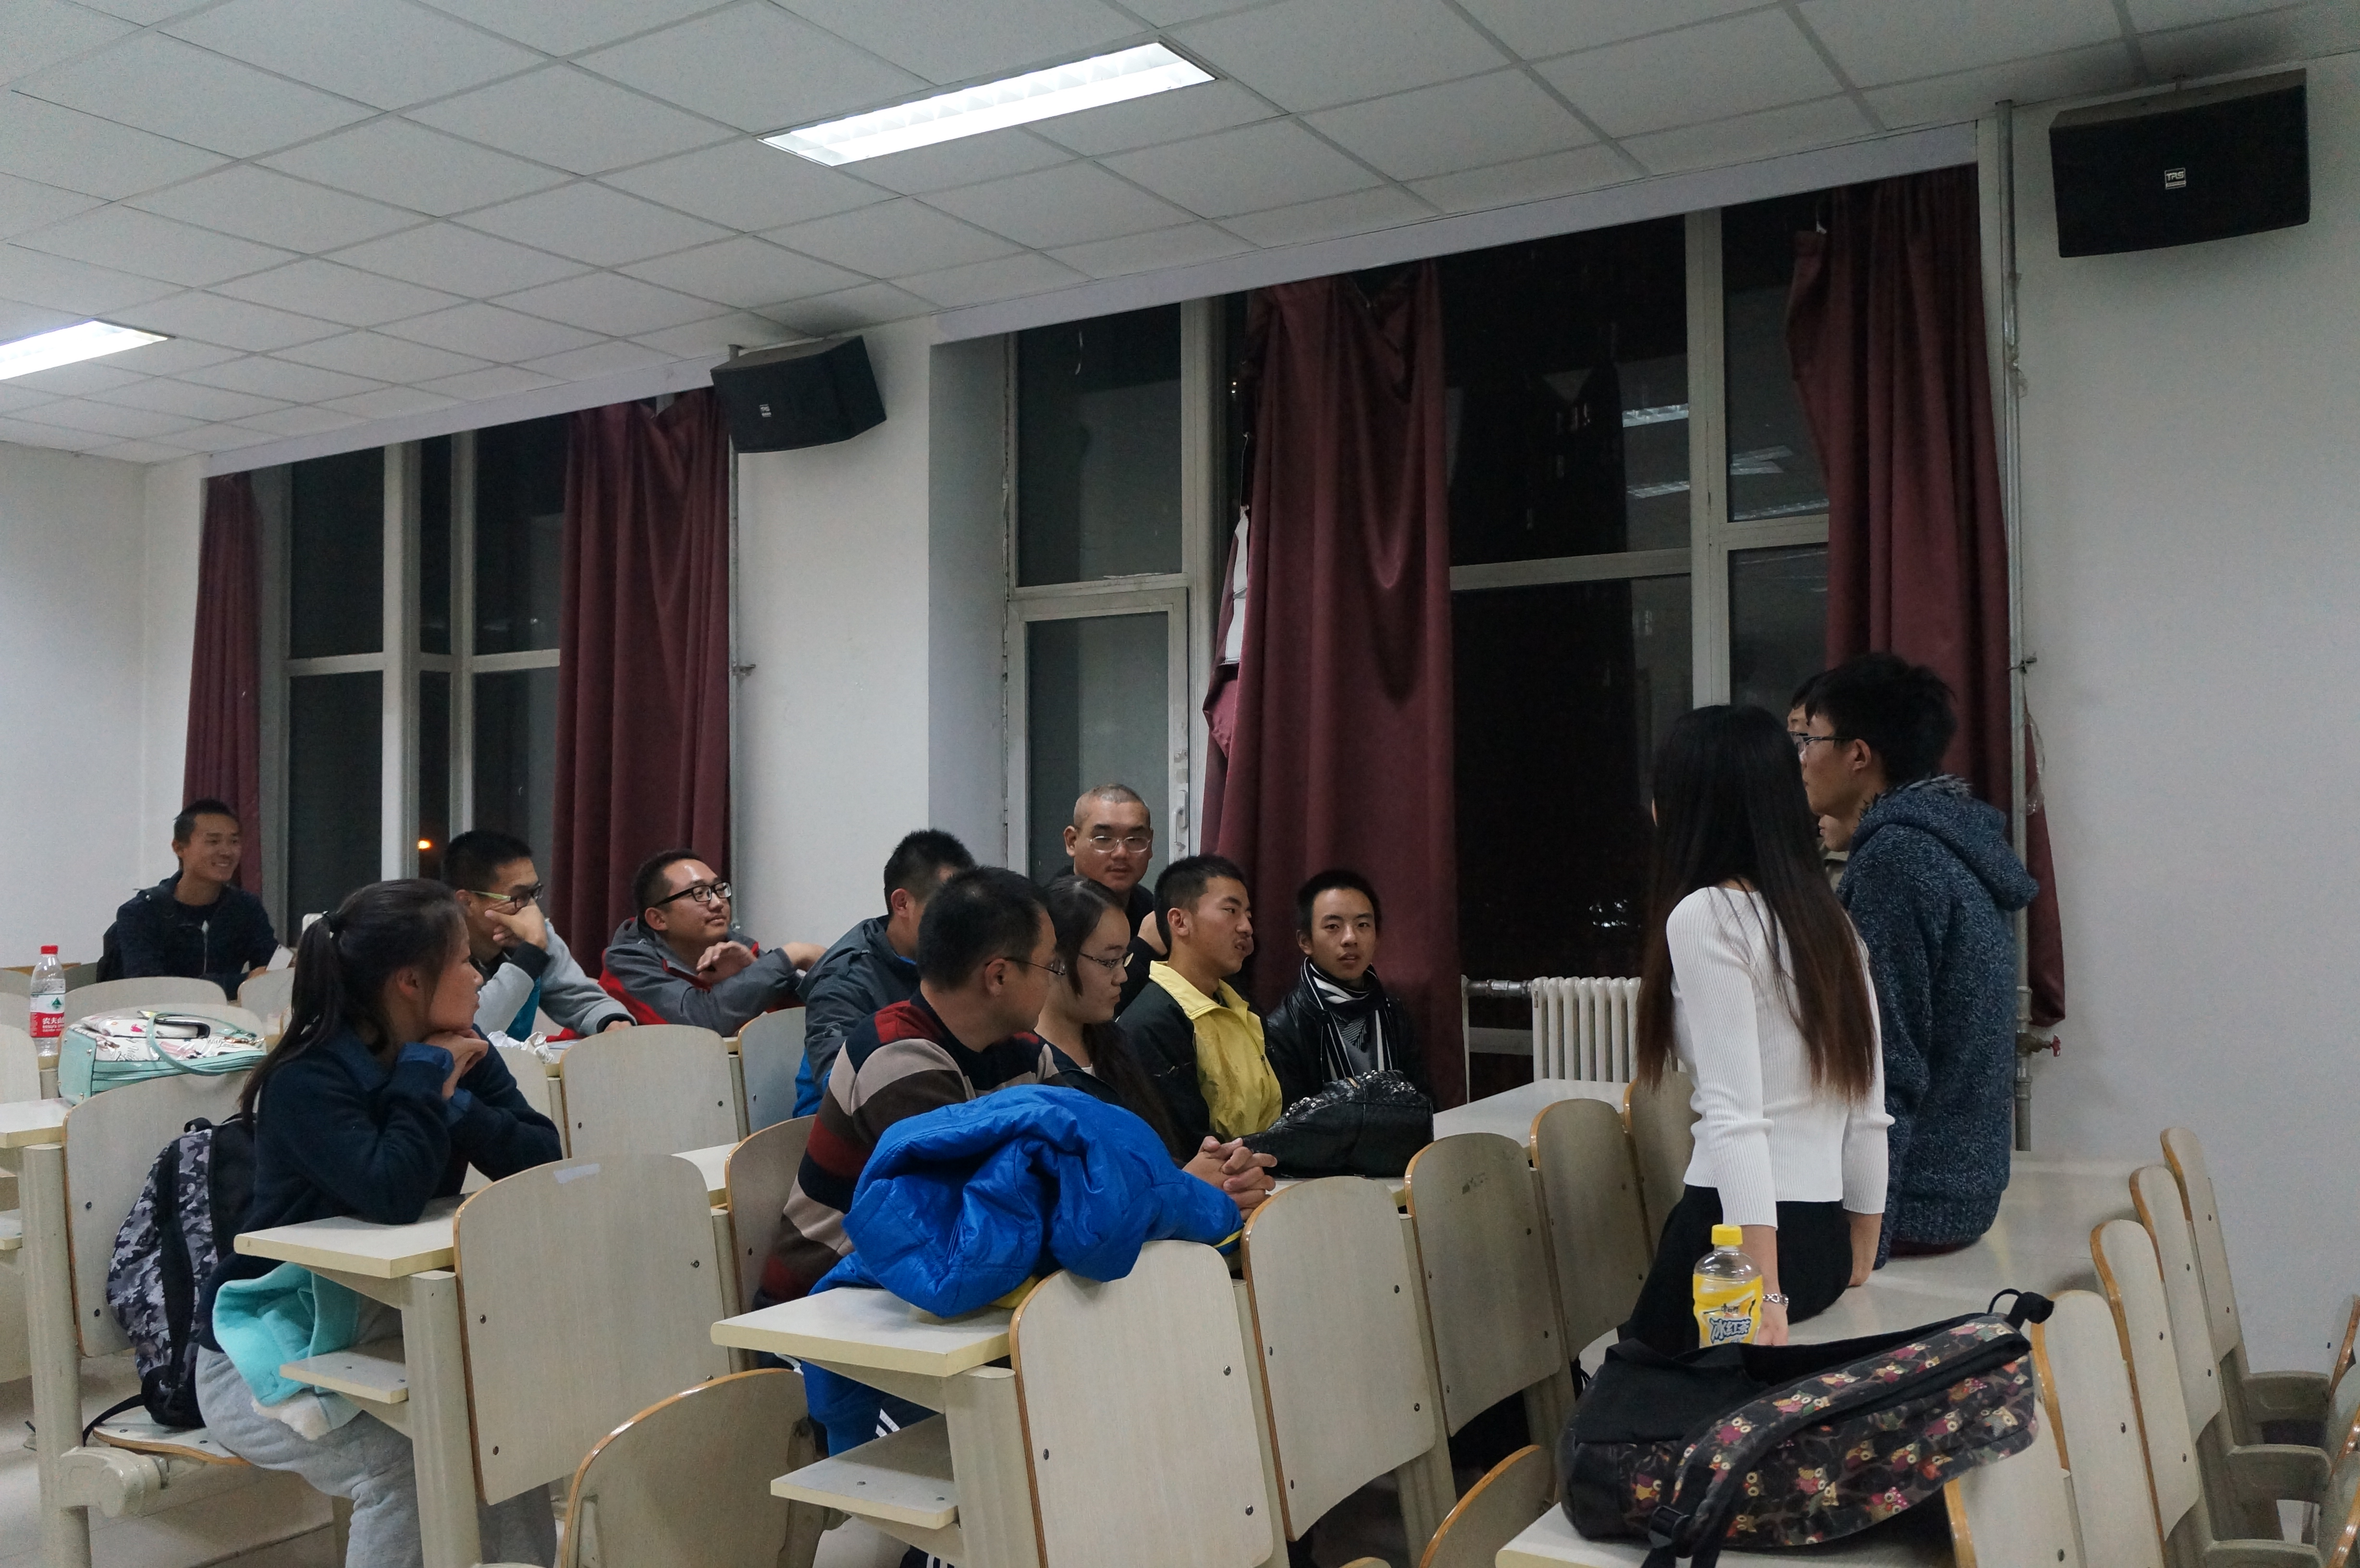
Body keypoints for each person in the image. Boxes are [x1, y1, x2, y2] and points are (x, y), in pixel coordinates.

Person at [194, 880, 562, 1565]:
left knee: (505, 1438)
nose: (479, 977)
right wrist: (424, 1079)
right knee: (410, 1464)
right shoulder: (309, 1078)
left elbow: (541, 1158)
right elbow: (392, 1193)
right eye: (463, 960)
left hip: (395, 1329)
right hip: (266, 1356)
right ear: (410, 982)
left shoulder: (459, 1048)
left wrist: (455, 1099)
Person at [755, 868, 1054, 1463]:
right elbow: (968, 1220)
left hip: (931, 1307)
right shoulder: (897, 1055)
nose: (1055, 983)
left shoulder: (1023, 1050)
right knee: (986, 1457)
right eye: (1051, 967)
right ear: (998, 975)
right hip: (830, 1319)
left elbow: (1081, 1158)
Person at [1620, 705, 1889, 1355]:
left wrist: (1762, 1289)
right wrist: (1860, 1247)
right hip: (1821, 1241)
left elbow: (1735, 1118)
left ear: (1686, 807)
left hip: (1734, 1238)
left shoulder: (1706, 916)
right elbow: (1868, 1107)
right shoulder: (1827, 920)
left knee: (1633, 1398)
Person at [1795, 652, 2037, 1259]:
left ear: (1857, 754)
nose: (1801, 760)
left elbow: (1885, 1060)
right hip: (1955, 1193)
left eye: (1810, 740)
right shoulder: (1943, 842)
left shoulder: (1897, 861)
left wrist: (1862, 1247)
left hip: (1913, 1205)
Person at [1035, 874, 1277, 1209]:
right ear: (1055, 960)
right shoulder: (1026, 1068)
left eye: (1124, 960)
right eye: (1109, 961)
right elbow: (1072, 1205)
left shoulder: (1116, 1045)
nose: (1122, 976)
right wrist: (1183, 1187)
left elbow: (1157, 1156)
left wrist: (1224, 1170)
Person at [792, 830, 976, 1116]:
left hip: (930, 1113)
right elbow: (841, 1087)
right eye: (948, 910)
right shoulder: (843, 980)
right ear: (902, 903)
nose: (962, 925)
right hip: (842, 1129)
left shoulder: (951, 962)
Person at [1116, 855, 1283, 1148]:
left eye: (1248, 915)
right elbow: (1184, 1144)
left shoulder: (1240, 1005)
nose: (1246, 927)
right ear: (1180, 922)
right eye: (1231, 911)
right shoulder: (1151, 1023)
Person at [599, 850, 822, 1035]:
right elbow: (701, 1026)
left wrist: (758, 970)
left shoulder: (736, 949)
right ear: (658, 919)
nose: (717, 903)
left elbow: (818, 1015)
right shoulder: (628, 965)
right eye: (699, 893)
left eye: (719, 889)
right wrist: (793, 955)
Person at [1261, 869, 1431, 1108]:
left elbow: (1424, 1103)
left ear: (1377, 937)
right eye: (1333, 927)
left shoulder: (1394, 1012)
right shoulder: (1285, 1028)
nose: (1350, 938)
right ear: (1306, 942)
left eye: (1363, 925)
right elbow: (1294, 1121)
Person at [440, 829, 630, 1041]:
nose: (532, 910)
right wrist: (531, 953)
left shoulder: (534, 932)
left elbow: (576, 996)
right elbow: (473, 1030)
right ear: (466, 902)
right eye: (518, 897)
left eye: (534, 894)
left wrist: (611, 1021)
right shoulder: (436, 949)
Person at [99, 798, 279, 994]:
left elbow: (273, 966)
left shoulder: (245, 907)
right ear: (179, 848)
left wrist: (292, 963)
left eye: (234, 842)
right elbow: (151, 989)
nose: (227, 852)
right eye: (213, 841)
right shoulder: (140, 913)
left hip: (227, 1013)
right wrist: (244, 982)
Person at [1063, 784, 1163, 1013]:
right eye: (1104, 839)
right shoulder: (1050, 914)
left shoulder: (1151, 911)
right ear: (1072, 841)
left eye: (1135, 840)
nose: (1121, 853)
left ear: (1150, 844)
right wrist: (1145, 949)